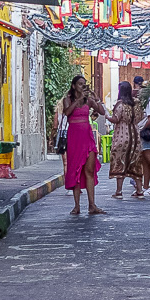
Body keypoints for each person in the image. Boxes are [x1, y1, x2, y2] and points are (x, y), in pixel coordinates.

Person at [59, 76, 106, 216]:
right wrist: (78, 100)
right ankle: (77, 205)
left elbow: (102, 112)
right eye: (80, 84)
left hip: (87, 137)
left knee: (89, 171)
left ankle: (92, 205)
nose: (82, 86)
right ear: (74, 86)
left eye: (84, 84)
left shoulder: (88, 101)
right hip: (74, 139)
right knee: (75, 170)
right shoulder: (68, 100)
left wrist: (96, 99)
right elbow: (67, 113)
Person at [109, 81, 141, 199]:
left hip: (122, 135)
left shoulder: (120, 104)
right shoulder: (137, 103)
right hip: (135, 136)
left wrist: (107, 116)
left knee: (120, 161)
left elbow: (116, 119)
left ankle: (119, 191)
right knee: (136, 163)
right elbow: (140, 117)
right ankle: (140, 190)